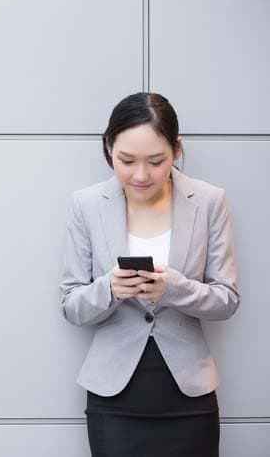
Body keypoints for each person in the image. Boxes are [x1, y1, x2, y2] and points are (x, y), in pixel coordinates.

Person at [60, 92, 239, 456]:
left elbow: (227, 300)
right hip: (114, 397)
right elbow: (71, 305)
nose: (140, 175)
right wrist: (109, 288)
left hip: (189, 396)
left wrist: (173, 288)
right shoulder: (87, 204)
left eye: (156, 161)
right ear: (108, 147)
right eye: (126, 160)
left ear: (177, 149)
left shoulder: (209, 200)